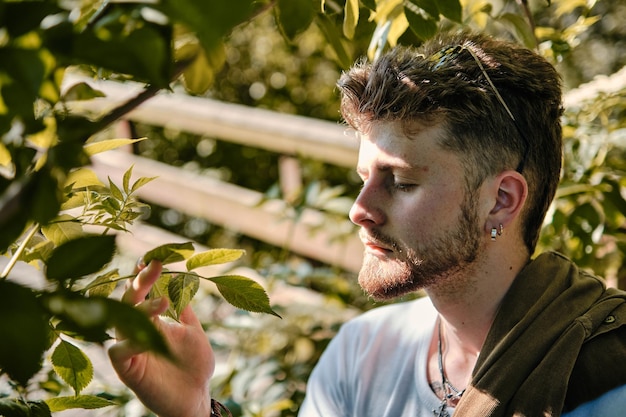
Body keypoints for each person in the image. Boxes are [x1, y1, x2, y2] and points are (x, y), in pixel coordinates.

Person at [108, 31, 626, 417]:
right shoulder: (362, 352)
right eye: (363, 176)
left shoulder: (605, 380)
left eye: (400, 182)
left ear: (502, 201)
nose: (359, 208)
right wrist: (193, 408)